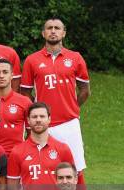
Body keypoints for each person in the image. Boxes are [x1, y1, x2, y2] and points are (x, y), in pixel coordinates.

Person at [21, 18, 90, 177]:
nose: (53, 31)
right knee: (44, 169)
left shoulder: (75, 57)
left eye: (57, 28)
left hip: (69, 123)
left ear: (63, 33)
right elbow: (25, 92)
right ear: (43, 33)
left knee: (75, 169)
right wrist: (38, 112)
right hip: (44, 125)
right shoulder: (32, 60)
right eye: (49, 28)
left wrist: (72, 106)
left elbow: (85, 90)